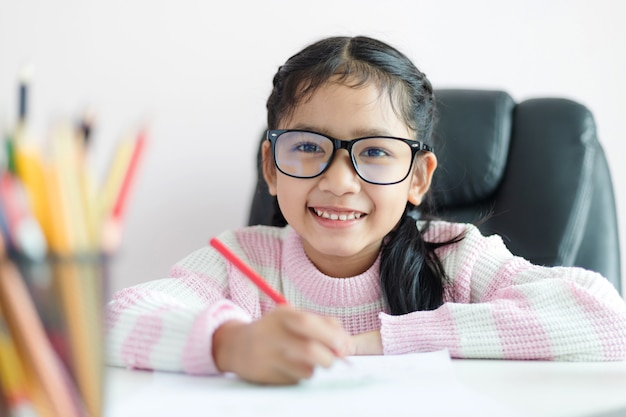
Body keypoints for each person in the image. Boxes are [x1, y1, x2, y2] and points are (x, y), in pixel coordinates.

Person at [106, 35, 626, 385]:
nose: (338, 181)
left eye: (374, 151)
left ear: (418, 178)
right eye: (308, 147)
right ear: (270, 166)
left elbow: (607, 320)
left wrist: (381, 343)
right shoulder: (238, 260)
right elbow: (110, 324)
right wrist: (228, 345)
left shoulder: (454, 257)